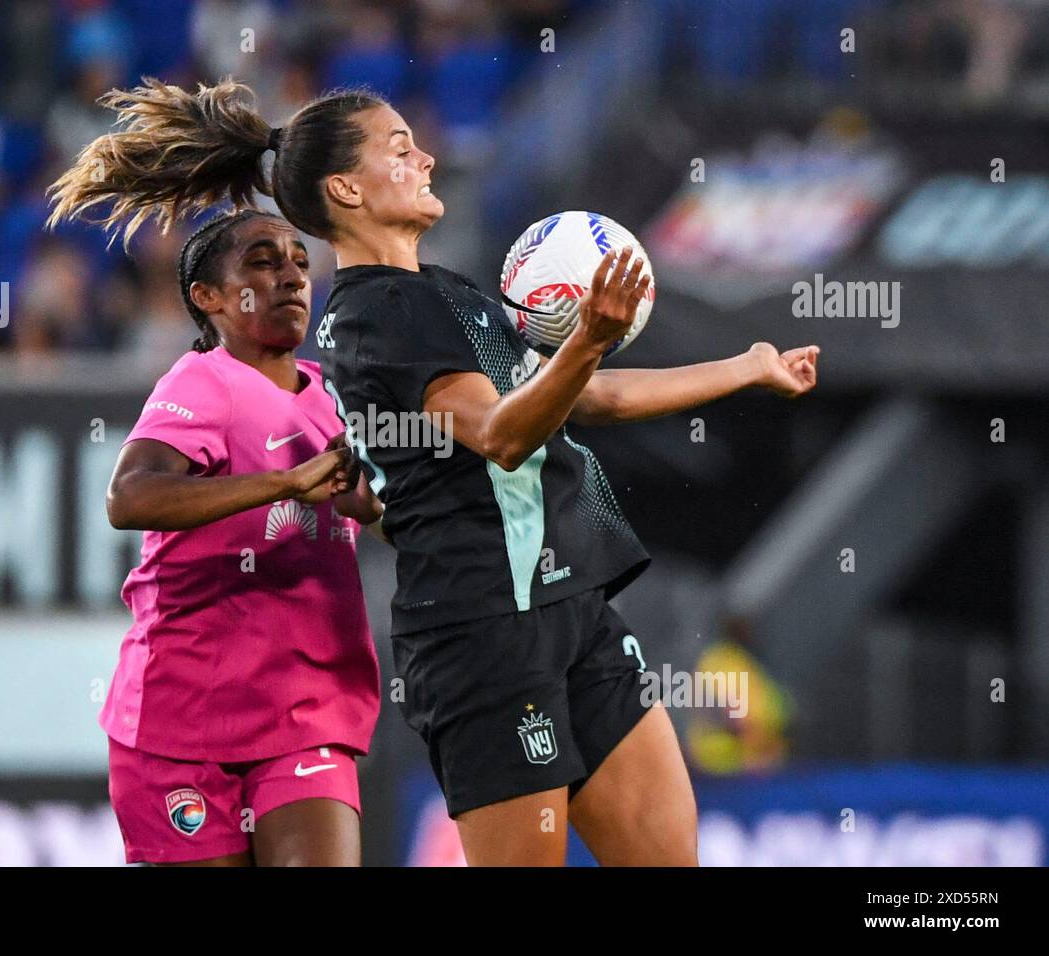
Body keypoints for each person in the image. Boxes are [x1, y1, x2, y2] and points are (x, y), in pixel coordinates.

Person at [50, 77, 820, 866]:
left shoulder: (445, 293)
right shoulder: (372, 315)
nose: (425, 155)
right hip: (482, 635)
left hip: (573, 608)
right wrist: (585, 338)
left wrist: (747, 367)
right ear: (347, 188)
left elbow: (585, 397)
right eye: (399, 146)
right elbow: (501, 435)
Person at [47, 159, 384, 864]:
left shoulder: (333, 399)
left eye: (298, 262)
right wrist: (283, 484)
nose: (291, 276)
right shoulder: (205, 382)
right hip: (182, 722)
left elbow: (372, 508)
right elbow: (128, 497)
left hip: (305, 713)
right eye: (261, 265)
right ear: (209, 298)